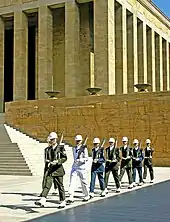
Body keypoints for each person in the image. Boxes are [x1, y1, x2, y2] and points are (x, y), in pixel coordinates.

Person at [35, 132, 67, 208]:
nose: (52, 141)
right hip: (50, 170)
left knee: (60, 186)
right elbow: (46, 160)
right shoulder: (47, 149)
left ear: (56, 139)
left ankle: (63, 201)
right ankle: (42, 199)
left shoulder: (61, 148)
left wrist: (58, 161)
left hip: (58, 170)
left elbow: (64, 158)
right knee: (47, 185)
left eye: (53, 139)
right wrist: (48, 164)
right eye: (51, 139)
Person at [67, 135, 90, 204]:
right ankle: (71, 196)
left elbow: (86, 158)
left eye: (79, 141)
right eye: (77, 141)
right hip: (74, 167)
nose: (78, 142)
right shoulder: (74, 148)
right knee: (72, 181)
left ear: (81, 141)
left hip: (82, 167)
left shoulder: (84, 149)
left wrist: (80, 160)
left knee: (84, 182)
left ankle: (87, 195)